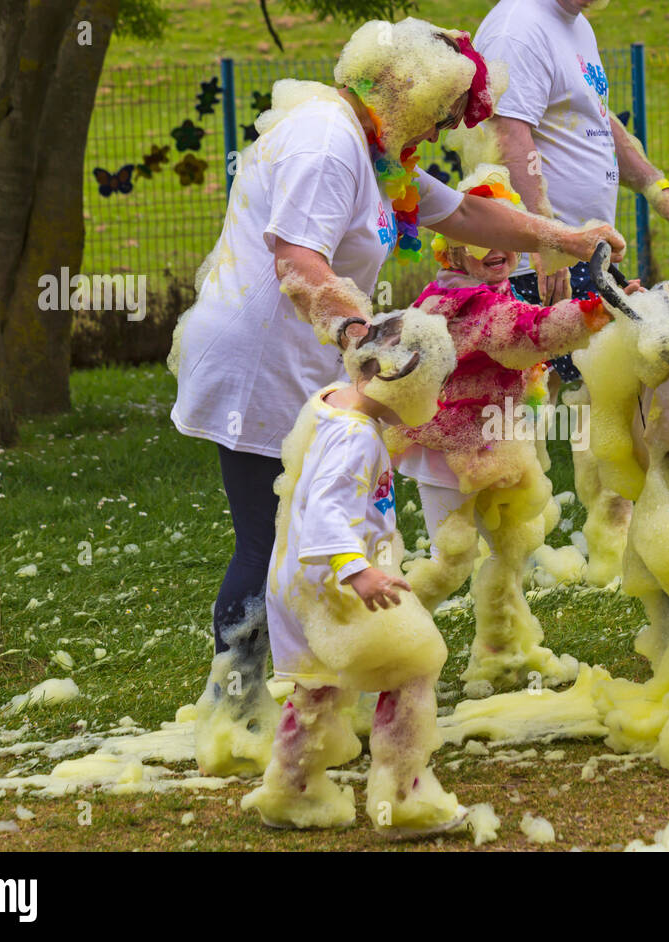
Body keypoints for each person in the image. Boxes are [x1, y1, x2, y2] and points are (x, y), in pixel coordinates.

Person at [167, 17, 625, 777]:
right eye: (444, 114)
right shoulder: (326, 141)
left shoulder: (377, 151)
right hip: (262, 358)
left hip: (304, 351)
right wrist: (361, 335)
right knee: (267, 537)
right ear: (408, 91)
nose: (446, 130)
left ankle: (296, 702)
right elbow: (298, 258)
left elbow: (465, 212)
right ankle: (239, 709)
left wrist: (565, 239)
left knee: (308, 527)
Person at [467, 0, 669, 585]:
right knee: (520, 411)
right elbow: (507, 131)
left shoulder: (577, 26)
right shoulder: (520, 25)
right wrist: (547, 238)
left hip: (584, 252)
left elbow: (603, 123)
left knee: (603, 397)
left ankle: (606, 546)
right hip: (537, 255)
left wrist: (656, 186)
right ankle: (502, 568)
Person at [391, 165, 640, 696]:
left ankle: (505, 650)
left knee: (509, 549)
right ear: (451, 250)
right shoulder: (469, 304)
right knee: (450, 560)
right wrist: (599, 309)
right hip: (449, 452)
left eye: (506, 239)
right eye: (481, 240)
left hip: (486, 443)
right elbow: (529, 335)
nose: (496, 249)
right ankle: (384, 651)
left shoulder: (461, 292)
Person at [242, 307, 466, 836]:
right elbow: (326, 508)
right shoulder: (357, 436)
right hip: (341, 583)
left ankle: (290, 793)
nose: (432, 403)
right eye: (431, 387)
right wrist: (358, 570)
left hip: (299, 579)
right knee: (414, 666)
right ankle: (405, 799)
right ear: (395, 380)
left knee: (318, 687)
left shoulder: (329, 402)